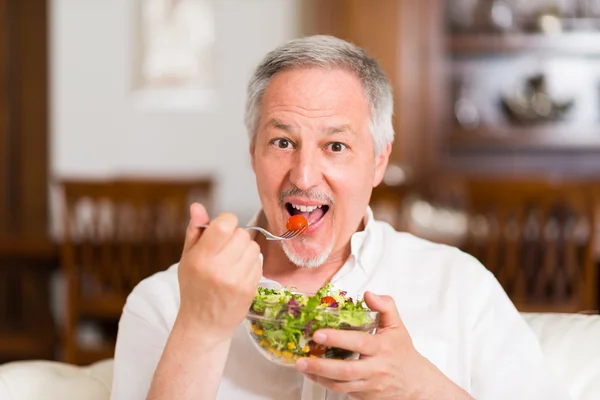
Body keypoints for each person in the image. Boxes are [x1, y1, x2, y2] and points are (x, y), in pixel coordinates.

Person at [110, 35, 571, 400]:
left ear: (378, 162)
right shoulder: (164, 303)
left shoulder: (459, 287)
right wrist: (199, 328)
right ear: (253, 153)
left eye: (335, 145)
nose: (305, 175)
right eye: (283, 142)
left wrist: (421, 389)